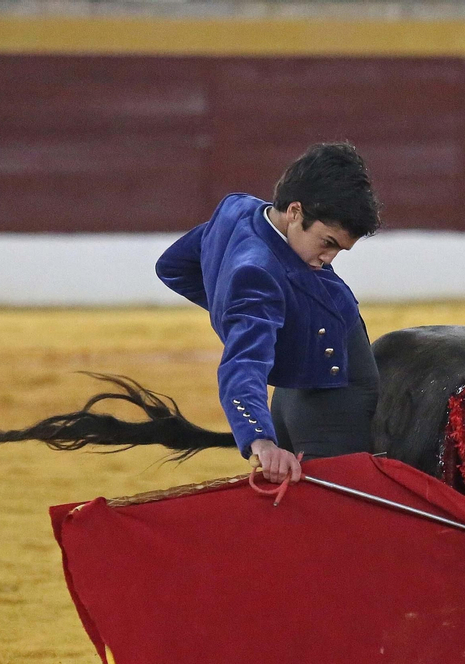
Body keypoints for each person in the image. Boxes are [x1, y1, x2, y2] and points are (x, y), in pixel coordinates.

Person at [156, 142, 382, 485]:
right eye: (327, 242)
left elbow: (172, 265)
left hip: (289, 400)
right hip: (332, 405)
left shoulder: (238, 211)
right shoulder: (258, 274)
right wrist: (259, 439)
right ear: (294, 212)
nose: (328, 260)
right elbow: (242, 364)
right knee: (347, 516)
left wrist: (250, 313)